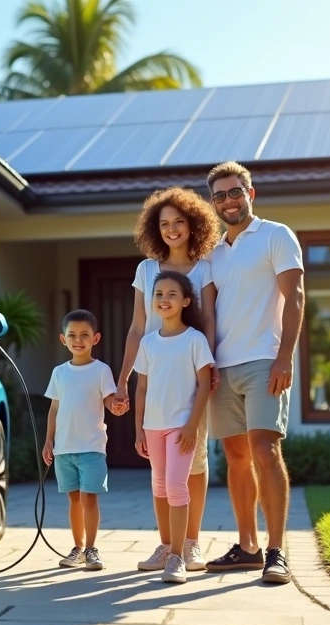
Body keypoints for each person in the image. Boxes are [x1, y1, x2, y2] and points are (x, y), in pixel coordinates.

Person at [202, 161, 304, 585]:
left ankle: (277, 551)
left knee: (265, 450)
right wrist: (205, 363)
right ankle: (247, 547)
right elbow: (208, 312)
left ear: (250, 193)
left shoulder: (276, 235)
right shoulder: (212, 252)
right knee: (236, 456)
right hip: (223, 367)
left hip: (265, 360)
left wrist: (285, 358)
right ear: (214, 203)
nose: (228, 201)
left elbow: (295, 296)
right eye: (220, 195)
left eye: (235, 192)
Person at [111, 186, 221, 573]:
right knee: (162, 474)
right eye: (164, 223)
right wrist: (122, 380)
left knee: (195, 462)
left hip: (192, 375)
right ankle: (166, 545)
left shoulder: (205, 266)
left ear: (192, 226)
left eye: (179, 222)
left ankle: (190, 544)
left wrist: (207, 370)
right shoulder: (146, 270)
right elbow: (137, 329)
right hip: (155, 379)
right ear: (155, 229)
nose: (172, 229)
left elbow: (208, 321)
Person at [132, 270, 215, 584]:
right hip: (153, 427)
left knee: (177, 487)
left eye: (171, 294)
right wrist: (139, 429)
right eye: (158, 294)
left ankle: (178, 556)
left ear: (185, 301)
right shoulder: (149, 343)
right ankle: (166, 547)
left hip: (182, 427)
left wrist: (193, 425)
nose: (164, 300)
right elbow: (142, 388)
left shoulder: (194, 340)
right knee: (159, 486)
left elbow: (205, 384)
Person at [43, 309, 124, 571]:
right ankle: (77, 549)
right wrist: (48, 441)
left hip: (91, 447)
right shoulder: (59, 372)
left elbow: (110, 400)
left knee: (90, 499)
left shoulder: (101, 370)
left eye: (85, 335)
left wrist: (116, 406)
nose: (78, 340)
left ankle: (91, 549)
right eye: (72, 335)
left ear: (96, 338)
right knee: (73, 500)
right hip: (64, 448)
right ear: (62, 339)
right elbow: (54, 409)